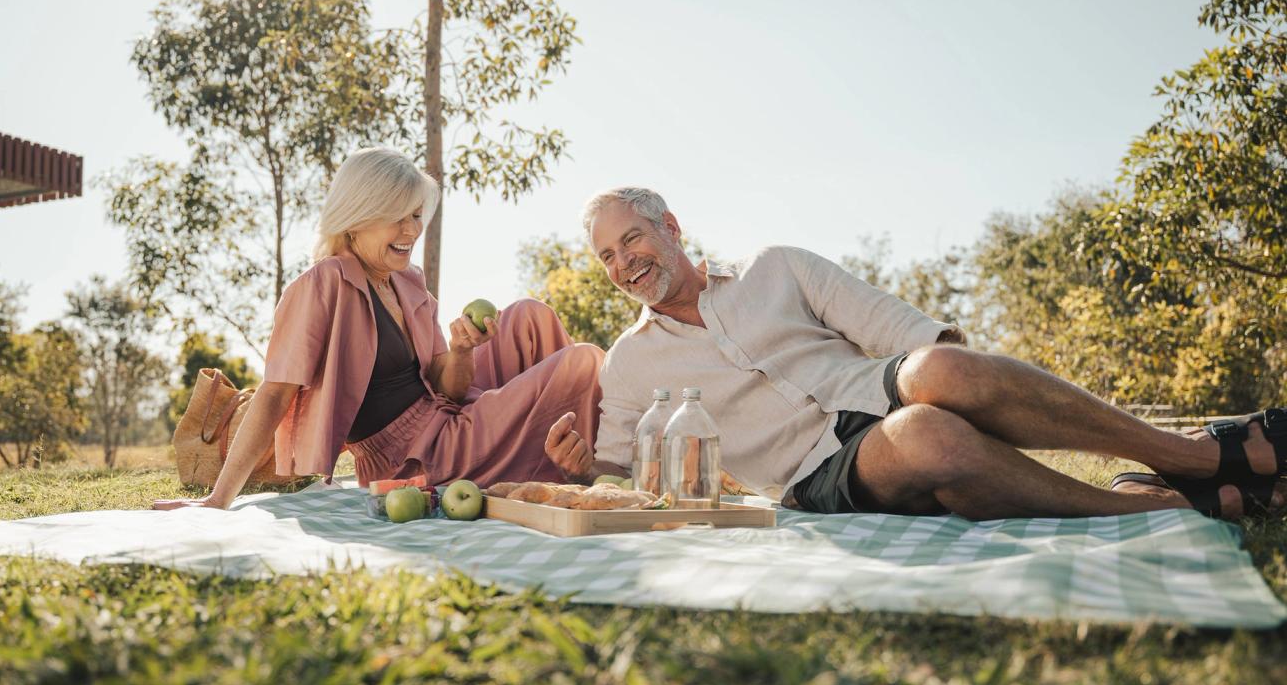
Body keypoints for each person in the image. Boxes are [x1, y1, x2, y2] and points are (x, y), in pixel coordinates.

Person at [540, 186, 1287, 521]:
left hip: (877, 385)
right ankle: (1147, 503)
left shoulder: (777, 265)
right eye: (607, 255)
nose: (623, 262)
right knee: (931, 439)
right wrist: (585, 467)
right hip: (814, 472)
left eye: (631, 237)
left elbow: (898, 325)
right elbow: (621, 464)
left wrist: (962, 375)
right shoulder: (629, 362)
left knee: (938, 371)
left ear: (668, 224)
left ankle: (1189, 454)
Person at [155, 147, 603, 511]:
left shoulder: (406, 281)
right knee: (581, 361)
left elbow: (444, 385)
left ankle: (581, 459)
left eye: (416, 216)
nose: (413, 230)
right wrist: (218, 499)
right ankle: (597, 471)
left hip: (446, 415)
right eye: (400, 217)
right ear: (358, 215)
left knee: (528, 317)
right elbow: (274, 394)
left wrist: (464, 350)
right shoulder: (323, 284)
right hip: (413, 457)